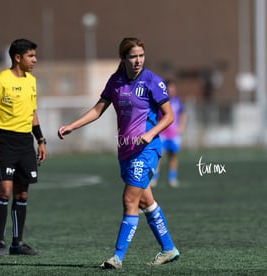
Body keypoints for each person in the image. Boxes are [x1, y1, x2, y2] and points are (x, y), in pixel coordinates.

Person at [58, 37, 180, 269]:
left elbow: (169, 116)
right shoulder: (115, 82)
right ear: (123, 58)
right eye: (133, 56)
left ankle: (117, 257)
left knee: (129, 200)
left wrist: (149, 134)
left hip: (147, 149)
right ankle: (168, 249)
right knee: (146, 202)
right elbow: (98, 109)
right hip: (125, 151)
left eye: (141, 56)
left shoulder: (153, 81)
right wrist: (72, 125)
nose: (138, 61)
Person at [0, 38, 47, 257]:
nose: (35, 60)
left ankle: (16, 244)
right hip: (5, 143)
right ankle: (0, 243)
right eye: (31, 56)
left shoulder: (32, 81)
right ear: (17, 58)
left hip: (25, 144)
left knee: (22, 194)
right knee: (5, 190)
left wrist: (40, 140)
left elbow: (32, 113)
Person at [150, 79, 187, 188]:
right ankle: (154, 178)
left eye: (172, 88)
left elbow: (183, 114)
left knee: (173, 156)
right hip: (162, 134)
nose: (171, 90)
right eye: (169, 88)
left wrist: (181, 127)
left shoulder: (177, 101)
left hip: (174, 135)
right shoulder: (160, 101)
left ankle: (172, 178)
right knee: (158, 157)